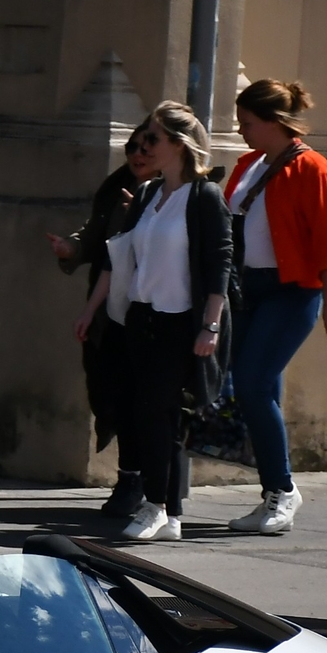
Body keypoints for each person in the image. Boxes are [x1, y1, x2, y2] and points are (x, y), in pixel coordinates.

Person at [76, 101, 232, 544]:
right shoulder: (146, 195)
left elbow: (220, 264)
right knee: (153, 414)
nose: (143, 146)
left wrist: (211, 325)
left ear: (179, 145)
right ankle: (170, 512)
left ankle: (155, 505)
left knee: (155, 411)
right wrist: (91, 310)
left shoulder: (203, 197)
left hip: (181, 320)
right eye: (143, 139)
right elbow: (119, 256)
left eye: (153, 139)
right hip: (140, 316)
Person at [220, 78, 327, 535]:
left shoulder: (312, 168)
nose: (242, 131)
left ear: (274, 122)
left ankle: (283, 491)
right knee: (260, 392)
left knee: (251, 384)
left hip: (292, 291)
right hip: (247, 291)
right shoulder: (249, 165)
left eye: (248, 123)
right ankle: (270, 496)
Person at [48, 126, 157, 515]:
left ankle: (158, 489)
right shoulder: (119, 187)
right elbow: (104, 246)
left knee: (155, 402)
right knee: (117, 394)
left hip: (160, 312)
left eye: (149, 147)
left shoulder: (183, 194)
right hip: (115, 310)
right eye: (133, 147)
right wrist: (72, 248)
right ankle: (133, 481)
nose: (138, 154)